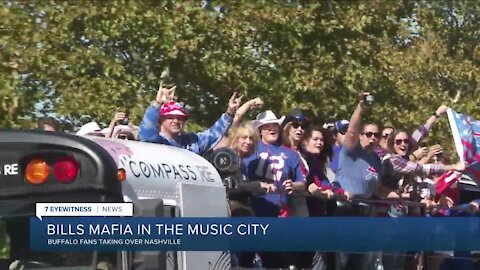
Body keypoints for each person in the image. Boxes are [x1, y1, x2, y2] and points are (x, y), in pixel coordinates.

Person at [243, 110, 306, 269]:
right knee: (248, 259)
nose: (272, 129)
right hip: (255, 212)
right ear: (260, 130)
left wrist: (293, 185)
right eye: (267, 126)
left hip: (281, 214)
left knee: (277, 260)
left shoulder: (290, 154)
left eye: (275, 125)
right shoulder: (251, 148)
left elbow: (302, 182)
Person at [334, 91, 382, 270]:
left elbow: (378, 188)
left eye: (376, 135)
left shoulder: (377, 161)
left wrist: (397, 196)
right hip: (345, 210)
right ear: (361, 135)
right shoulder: (351, 150)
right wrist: (361, 107)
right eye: (368, 134)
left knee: (361, 263)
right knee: (343, 261)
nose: (372, 138)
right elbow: (352, 130)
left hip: (365, 213)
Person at [225, 121, 276, 269]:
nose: (248, 142)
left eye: (251, 138)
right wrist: (258, 185)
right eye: (243, 137)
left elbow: (243, 187)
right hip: (232, 217)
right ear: (235, 138)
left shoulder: (240, 161)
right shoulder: (227, 157)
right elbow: (231, 187)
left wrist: (260, 188)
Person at [139, 85, 241, 155]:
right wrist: (157, 104)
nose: (176, 121)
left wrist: (230, 113)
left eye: (180, 118)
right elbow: (146, 134)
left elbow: (212, 135)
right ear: (161, 120)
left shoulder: (191, 143)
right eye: (171, 117)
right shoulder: (157, 142)